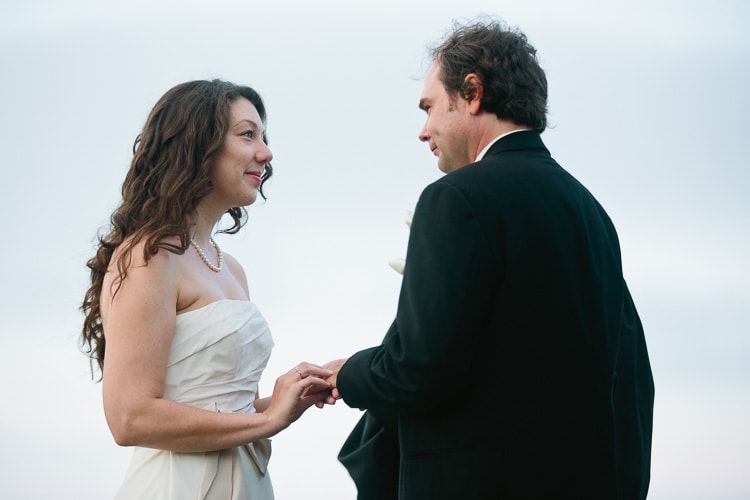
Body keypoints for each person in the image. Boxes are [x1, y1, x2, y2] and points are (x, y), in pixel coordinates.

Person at [327, 19, 655, 499]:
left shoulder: (454, 199)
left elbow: (421, 367)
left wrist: (348, 374)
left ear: (473, 93)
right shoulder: (589, 209)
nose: (424, 131)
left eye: (430, 108)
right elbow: (629, 375)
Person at [80, 79, 333, 499]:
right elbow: (129, 419)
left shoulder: (230, 267)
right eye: (248, 134)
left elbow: (229, 408)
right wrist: (267, 423)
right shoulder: (149, 255)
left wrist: (288, 398)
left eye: (264, 137)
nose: (266, 153)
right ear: (199, 145)